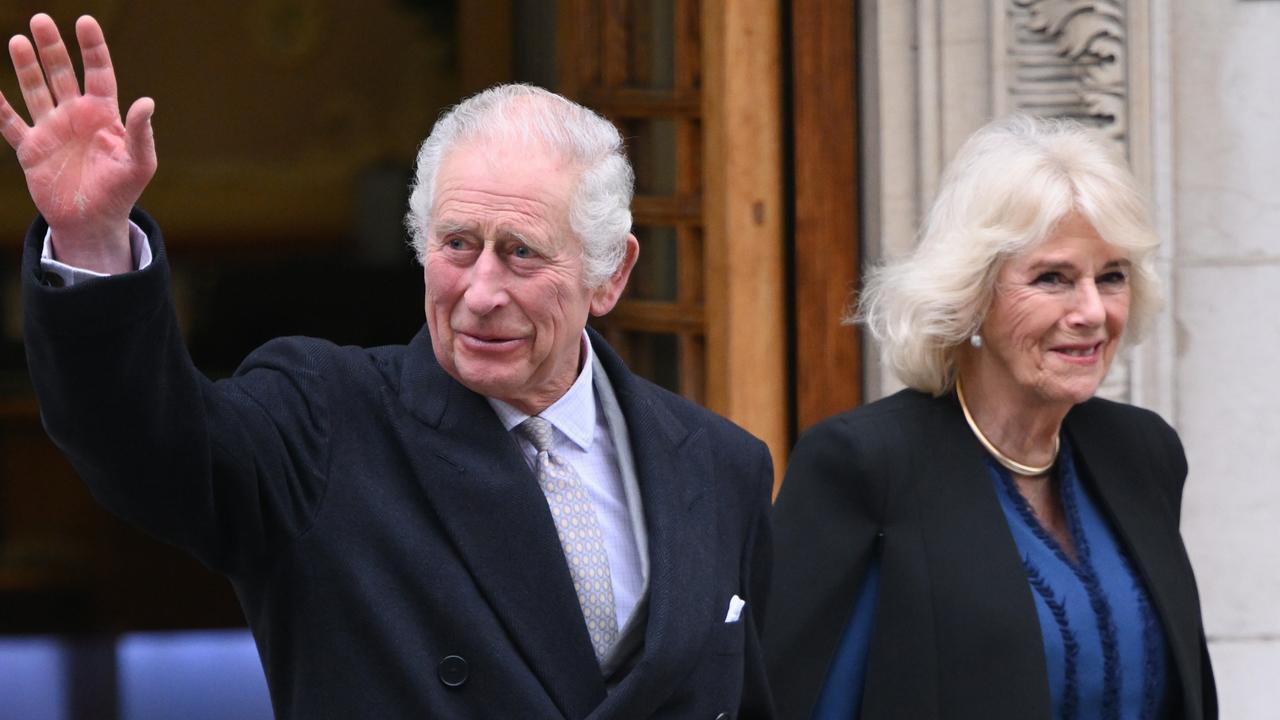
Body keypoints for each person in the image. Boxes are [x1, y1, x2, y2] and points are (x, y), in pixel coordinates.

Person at [3, 14, 774, 719]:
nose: (479, 294)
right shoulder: (325, 420)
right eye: (457, 245)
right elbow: (148, 446)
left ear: (610, 274)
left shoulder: (720, 466)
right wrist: (92, 241)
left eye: (521, 254)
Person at [765, 114, 1217, 719]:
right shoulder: (864, 465)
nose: (1091, 310)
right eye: (1052, 278)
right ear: (972, 295)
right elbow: (802, 700)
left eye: (1111, 277)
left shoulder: (1143, 451)